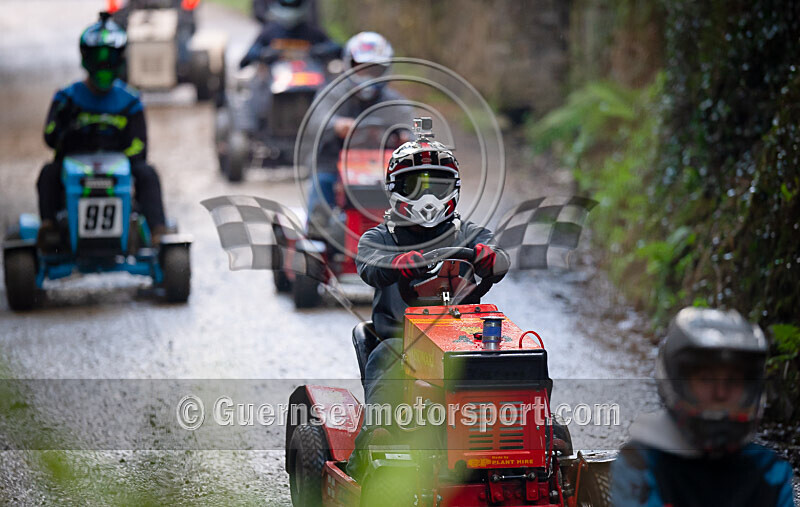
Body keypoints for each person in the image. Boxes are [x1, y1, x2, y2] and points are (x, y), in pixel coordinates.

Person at [345, 118, 510, 479]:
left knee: (515, 357)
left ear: (454, 189)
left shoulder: (469, 233)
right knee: (385, 358)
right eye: (415, 187)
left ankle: (535, 437)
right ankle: (376, 433)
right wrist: (397, 263)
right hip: (402, 342)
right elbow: (368, 265)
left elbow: (500, 257)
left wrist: (488, 256)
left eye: (437, 185)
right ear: (395, 189)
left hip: (463, 341)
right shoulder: (381, 238)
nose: (428, 197)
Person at [610, 307, 796, 507]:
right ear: (678, 382)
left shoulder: (770, 471)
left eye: (732, 381)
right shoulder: (643, 463)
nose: (720, 393)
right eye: (706, 379)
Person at [36, 12, 167, 249]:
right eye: (99, 59)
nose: (104, 65)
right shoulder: (67, 97)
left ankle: (158, 230)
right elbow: (50, 137)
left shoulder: (130, 101)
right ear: (87, 59)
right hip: (74, 165)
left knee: (147, 174)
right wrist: (65, 125)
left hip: (118, 165)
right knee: (48, 173)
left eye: (110, 59)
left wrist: (120, 157)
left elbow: (140, 144)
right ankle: (50, 226)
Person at [304, 31, 411, 233]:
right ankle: (318, 235)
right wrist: (336, 125)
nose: (367, 75)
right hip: (335, 165)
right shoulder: (332, 93)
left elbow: (411, 130)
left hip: (383, 171)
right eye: (361, 69)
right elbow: (316, 119)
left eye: (374, 69)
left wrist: (405, 137)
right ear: (350, 65)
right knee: (322, 181)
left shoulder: (396, 103)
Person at [238, 0, 330, 69]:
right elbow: (249, 56)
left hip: (309, 79)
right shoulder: (270, 31)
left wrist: (321, 51)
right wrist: (264, 54)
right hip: (276, 81)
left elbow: (335, 47)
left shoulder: (311, 31)